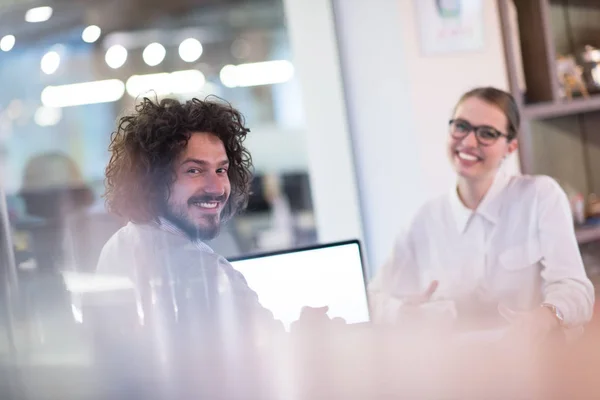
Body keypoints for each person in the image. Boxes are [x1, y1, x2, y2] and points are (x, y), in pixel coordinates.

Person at [368, 87, 595, 344]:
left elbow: (577, 290)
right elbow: (373, 299)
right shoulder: (424, 219)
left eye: (487, 133)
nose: (468, 142)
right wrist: (403, 313)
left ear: (510, 147)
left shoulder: (540, 196)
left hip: (535, 364)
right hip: (458, 371)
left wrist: (545, 317)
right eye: (461, 126)